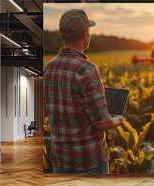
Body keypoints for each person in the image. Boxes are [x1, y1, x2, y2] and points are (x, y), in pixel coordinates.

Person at [43, 9, 122, 174]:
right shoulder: (86, 69)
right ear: (85, 34)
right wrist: (116, 120)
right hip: (89, 161)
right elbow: (102, 122)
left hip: (61, 160)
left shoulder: (49, 67)